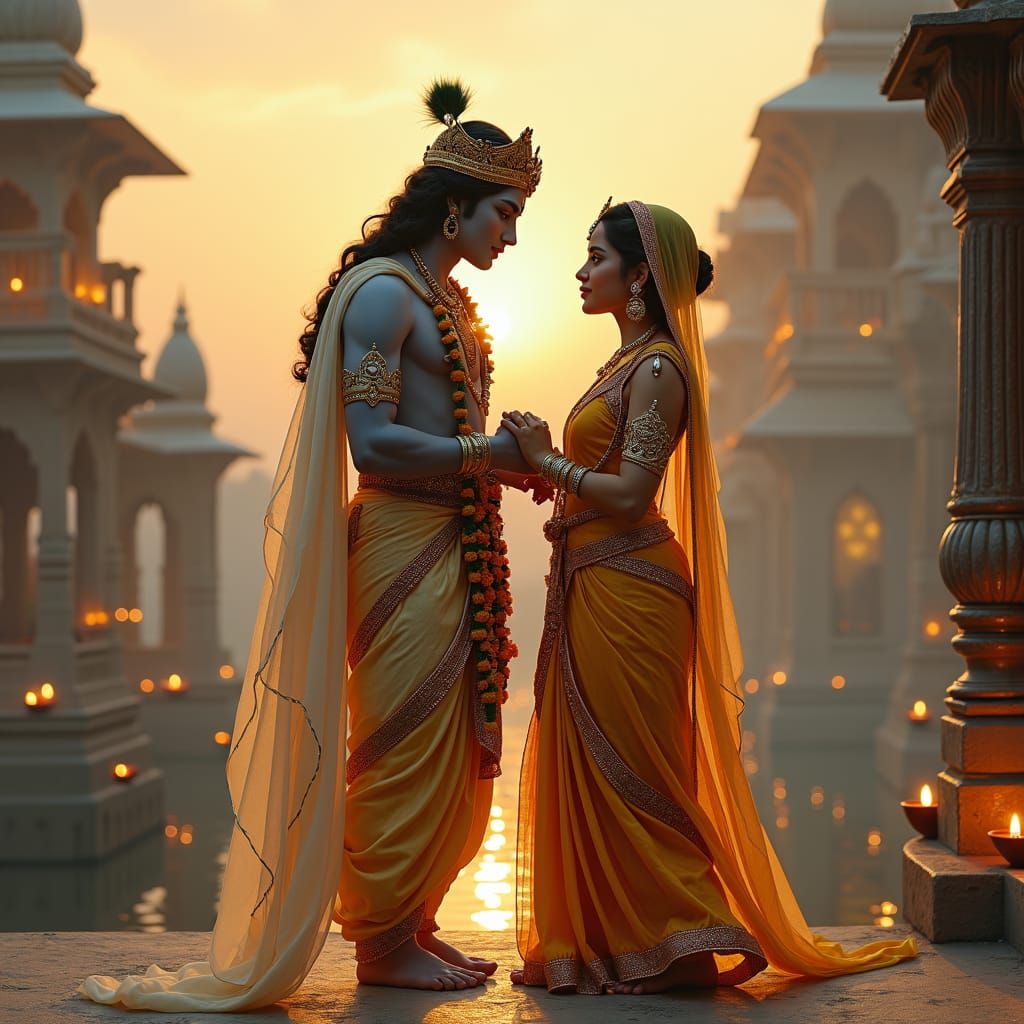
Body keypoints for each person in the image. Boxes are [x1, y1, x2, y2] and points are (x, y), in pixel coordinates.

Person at [78, 80, 542, 1011]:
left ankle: (410, 921)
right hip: (402, 542)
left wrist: (502, 465)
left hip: (456, 543)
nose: (513, 236)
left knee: (454, 740)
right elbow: (372, 444)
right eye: (503, 212)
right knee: (402, 736)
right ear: (454, 206)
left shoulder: (443, 300)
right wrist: (488, 454)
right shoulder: (383, 299)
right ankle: (379, 941)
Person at [500, 200, 917, 994]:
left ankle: (679, 938)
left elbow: (628, 493)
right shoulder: (621, 367)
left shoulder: (658, 369)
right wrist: (542, 471)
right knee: (591, 755)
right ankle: (613, 939)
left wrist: (548, 462)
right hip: (591, 582)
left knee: (636, 768)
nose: (581, 271)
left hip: (632, 587)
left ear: (639, 278)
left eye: (596, 257)